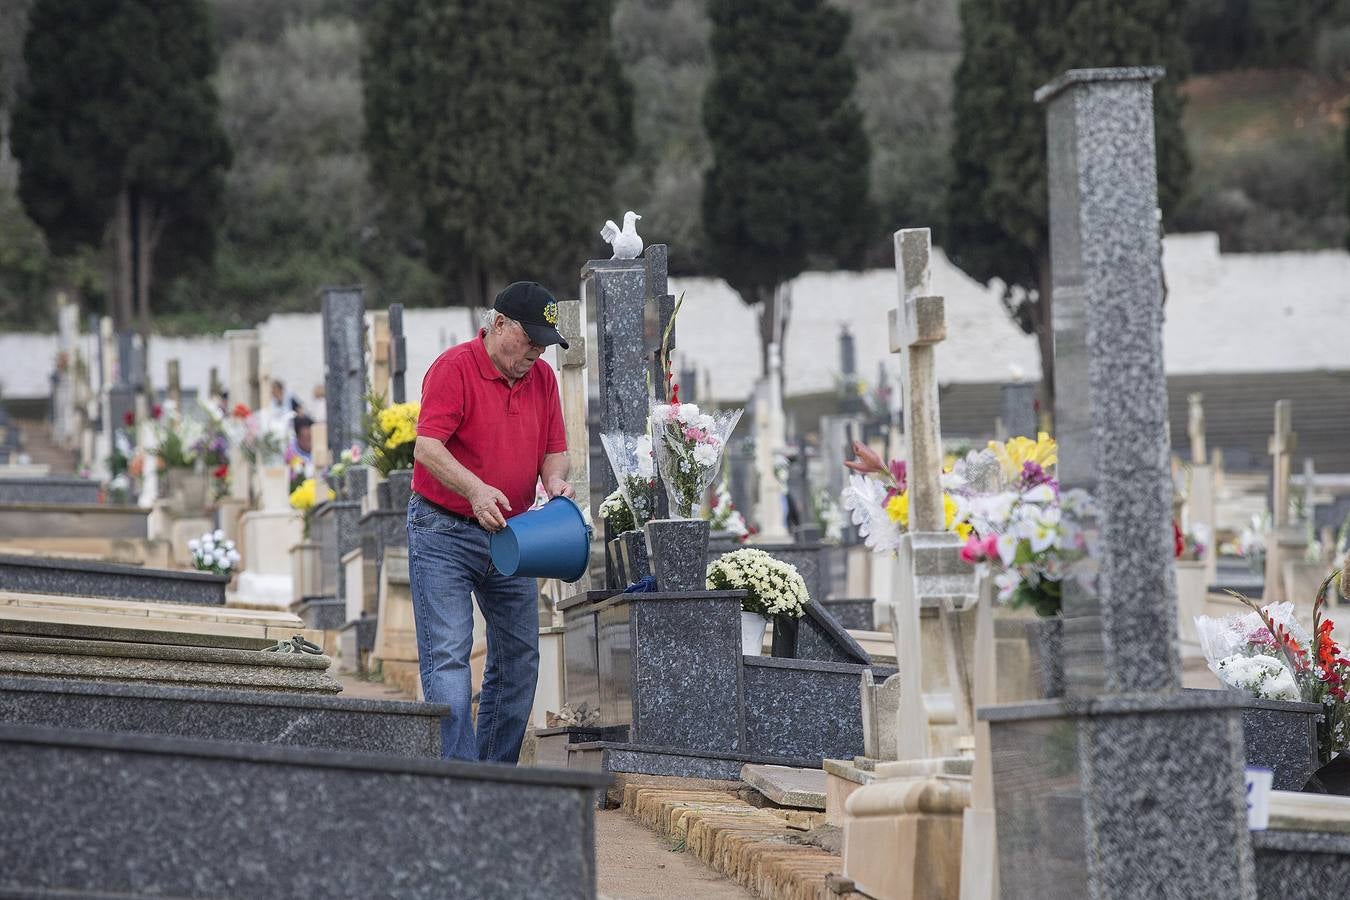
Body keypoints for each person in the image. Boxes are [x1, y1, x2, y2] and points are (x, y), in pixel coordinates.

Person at [408, 281, 572, 763]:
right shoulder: (454, 368)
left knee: (519, 659)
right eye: (531, 339)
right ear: (499, 325)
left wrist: (556, 483)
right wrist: (475, 489)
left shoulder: (543, 379)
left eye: (545, 343)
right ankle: (460, 782)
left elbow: (554, 452)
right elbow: (427, 448)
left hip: (515, 536)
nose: (538, 352)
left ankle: (493, 779)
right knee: (450, 660)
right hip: (444, 530)